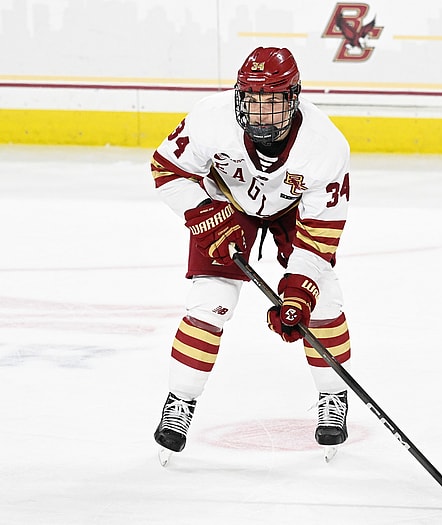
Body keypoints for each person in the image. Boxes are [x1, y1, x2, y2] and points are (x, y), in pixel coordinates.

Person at [150, 47, 353, 457]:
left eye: (273, 101)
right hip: (225, 207)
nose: (261, 113)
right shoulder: (211, 116)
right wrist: (204, 214)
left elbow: (319, 235)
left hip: (292, 213)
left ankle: (333, 397)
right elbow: (166, 169)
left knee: (324, 301)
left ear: (293, 98)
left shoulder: (325, 145)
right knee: (210, 304)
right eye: (253, 100)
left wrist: (299, 292)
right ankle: (180, 402)